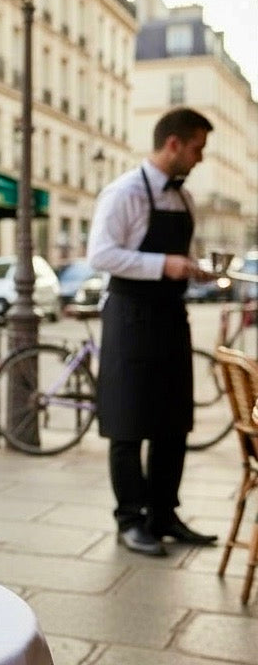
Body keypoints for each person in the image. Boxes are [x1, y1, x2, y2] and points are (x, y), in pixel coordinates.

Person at [88, 107, 218, 557]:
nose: (200, 158)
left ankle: (164, 513)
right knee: (128, 421)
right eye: (198, 148)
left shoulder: (184, 200)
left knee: (173, 419)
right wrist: (165, 265)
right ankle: (131, 519)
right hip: (128, 319)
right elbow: (100, 254)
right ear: (174, 145)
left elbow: (175, 260)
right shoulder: (123, 192)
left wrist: (192, 271)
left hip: (170, 318)